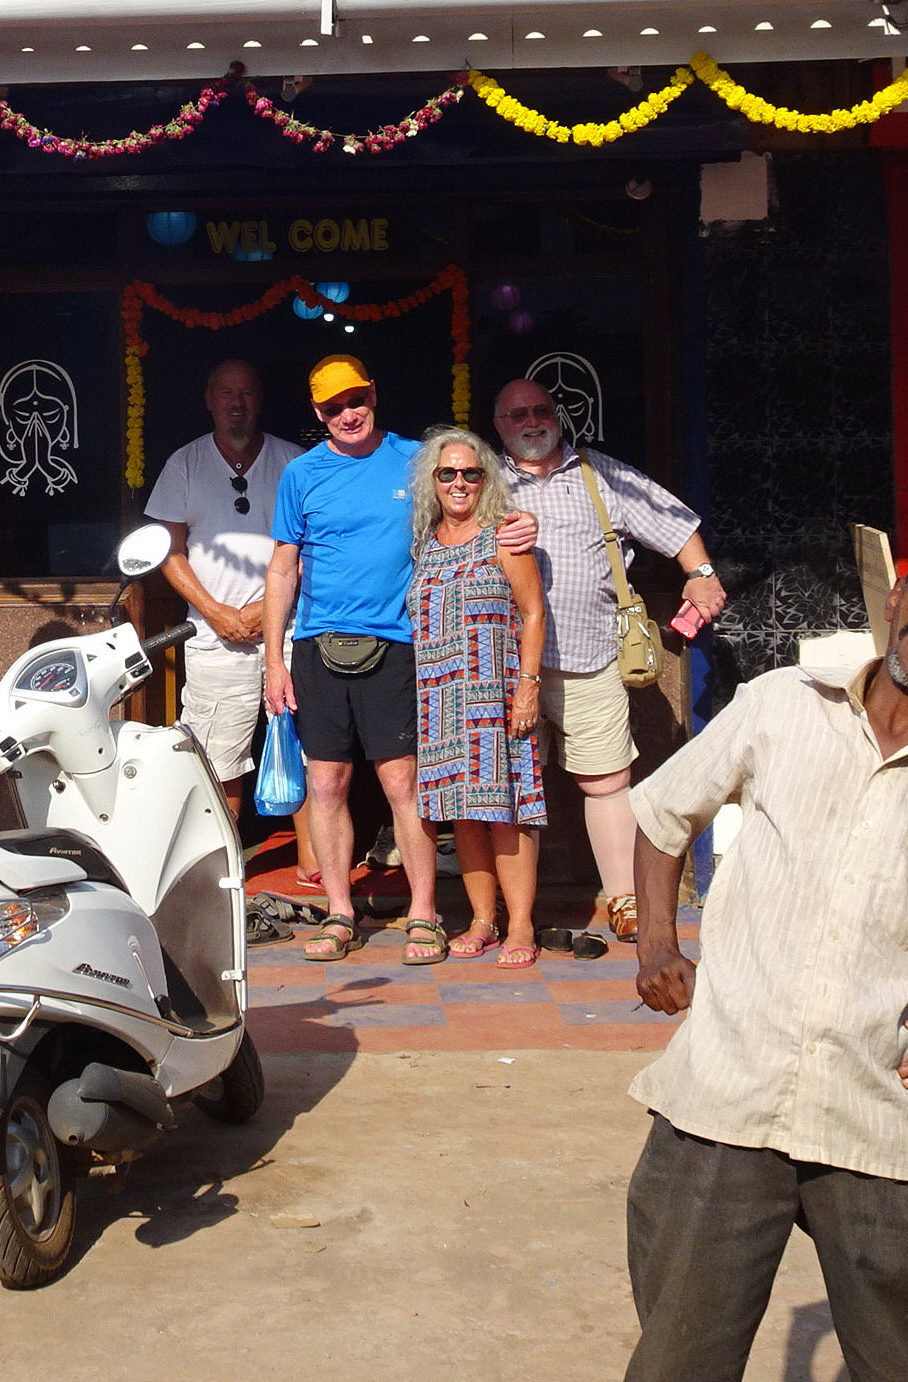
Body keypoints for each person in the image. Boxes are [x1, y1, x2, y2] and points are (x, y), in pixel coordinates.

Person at [620, 522, 908, 1382]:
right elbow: (664, 814)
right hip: (724, 1096)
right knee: (679, 1363)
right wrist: (655, 944)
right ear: (898, 598)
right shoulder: (781, 704)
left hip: (878, 1114)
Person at [262, 355, 535, 965]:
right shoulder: (300, 474)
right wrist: (273, 661)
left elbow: (476, 498)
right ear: (318, 413)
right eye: (334, 407)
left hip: (399, 643)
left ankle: (423, 913)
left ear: (374, 395)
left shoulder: (417, 461)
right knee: (326, 783)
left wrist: (523, 521)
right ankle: (339, 911)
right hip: (317, 645)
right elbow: (282, 568)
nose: (348, 414)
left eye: (356, 399)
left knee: (402, 782)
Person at [492, 378, 724, 943]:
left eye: (541, 410)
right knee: (513, 788)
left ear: (558, 416)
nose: (531, 421)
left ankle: (624, 900)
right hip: (504, 668)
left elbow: (674, 522)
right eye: (517, 414)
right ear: (498, 426)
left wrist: (701, 574)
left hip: (589, 656)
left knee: (607, 781)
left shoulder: (600, 474)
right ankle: (513, 912)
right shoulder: (483, 481)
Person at [408, 428, 549, 965]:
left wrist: (528, 686)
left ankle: (521, 926)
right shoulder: (423, 544)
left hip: (496, 694)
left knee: (506, 812)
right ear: (433, 481)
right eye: (448, 473)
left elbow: (533, 612)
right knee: (462, 814)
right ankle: (483, 920)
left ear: (486, 479)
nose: (459, 482)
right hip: (440, 700)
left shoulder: (503, 538)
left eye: (471, 472)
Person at [145, 358, 304, 819]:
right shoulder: (185, 463)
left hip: (290, 632)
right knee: (216, 761)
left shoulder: (294, 462)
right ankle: (226, 858)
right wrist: (215, 611)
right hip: (214, 637)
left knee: (306, 756)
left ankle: (313, 861)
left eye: (246, 392)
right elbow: (168, 550)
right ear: (209, 401)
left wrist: (267, 608)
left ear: (261, 399)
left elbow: (315, 547)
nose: (237, 403)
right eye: (226, 393)